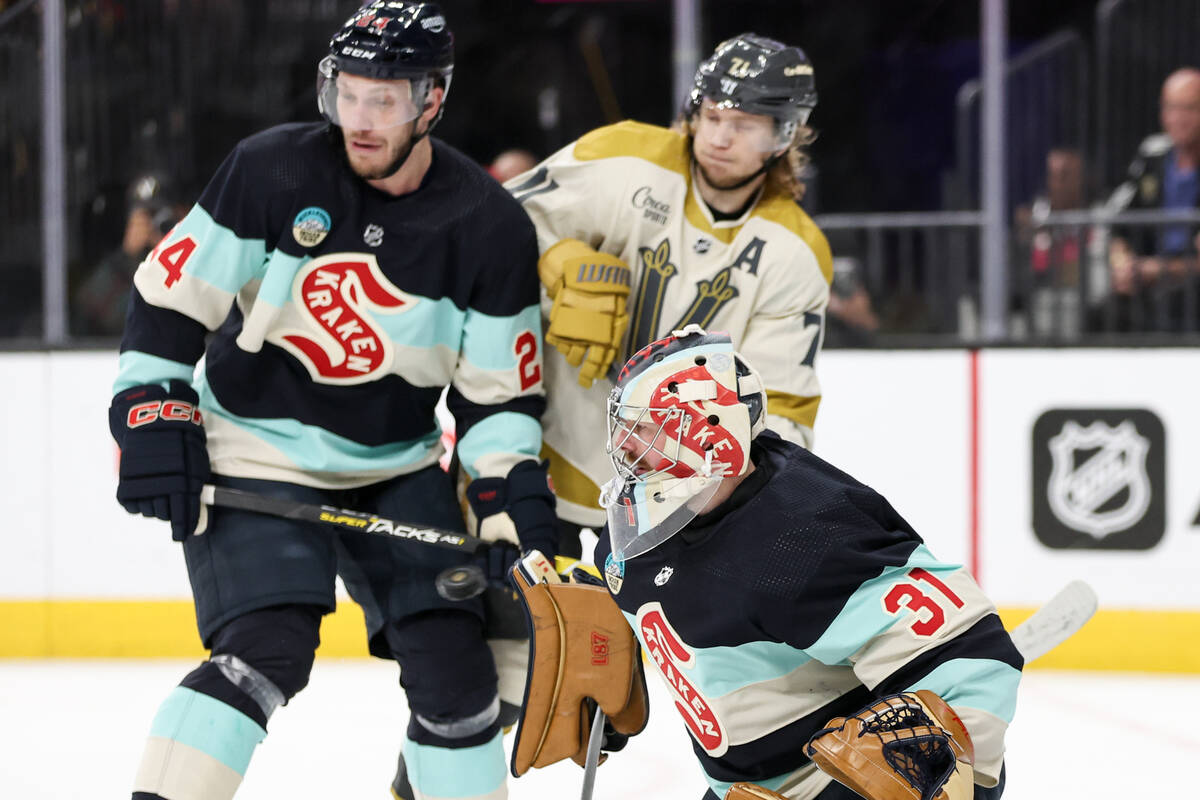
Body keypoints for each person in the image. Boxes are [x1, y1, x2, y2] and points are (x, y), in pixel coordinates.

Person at [107, 3, 554, 799]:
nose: (361, 117)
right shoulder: (270, 170)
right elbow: (171, 304)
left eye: (385, 99)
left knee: (459, 678)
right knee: (263, 649)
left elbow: (497, 402)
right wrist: (152, 410)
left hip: (397, 463)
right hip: (251, 447)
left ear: (432, 100)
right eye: (349, 92)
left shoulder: (489, 227)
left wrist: (503, 506)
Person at [584, 326, 1022, 799]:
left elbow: (971, 651)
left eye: (642, 428)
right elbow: (646, 589)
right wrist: (601, 652)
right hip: (744, 786)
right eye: (624, 428)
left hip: (830, 784)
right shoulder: (632, 535)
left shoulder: (802, 537)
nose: (625, 447)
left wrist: (938, 769)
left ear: (707, 429)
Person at [507, 33, 832, 558]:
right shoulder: (622, 157)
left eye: (743, 124)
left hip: (675, 502)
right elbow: (492, 224)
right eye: (711, 114)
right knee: (516, 638)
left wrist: (736, 506)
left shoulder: (794, 251)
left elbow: (782, 410)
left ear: (784, 136)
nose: (719, 137)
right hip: (543, 457)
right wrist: (553, 259)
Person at [1103, 67, 1200, 332]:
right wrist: (1121, 262)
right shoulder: (1151, 155)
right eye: (1171, 108)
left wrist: (1157, 270)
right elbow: (1116, 222)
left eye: (1189, 108)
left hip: (1189, 285)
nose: (1178, 118)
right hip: (1147, 281)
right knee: (1104, 311)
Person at [1011, 147, 1090, 339]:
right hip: (1037, 294)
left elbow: (1084, 272)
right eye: (1052, 175)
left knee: (1067, 301)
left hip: (1079, 298)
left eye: (1065, 175)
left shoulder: (1092, 214)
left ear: (1079, 179)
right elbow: (1023, 263)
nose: (1058, 183)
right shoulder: (1034, 214)